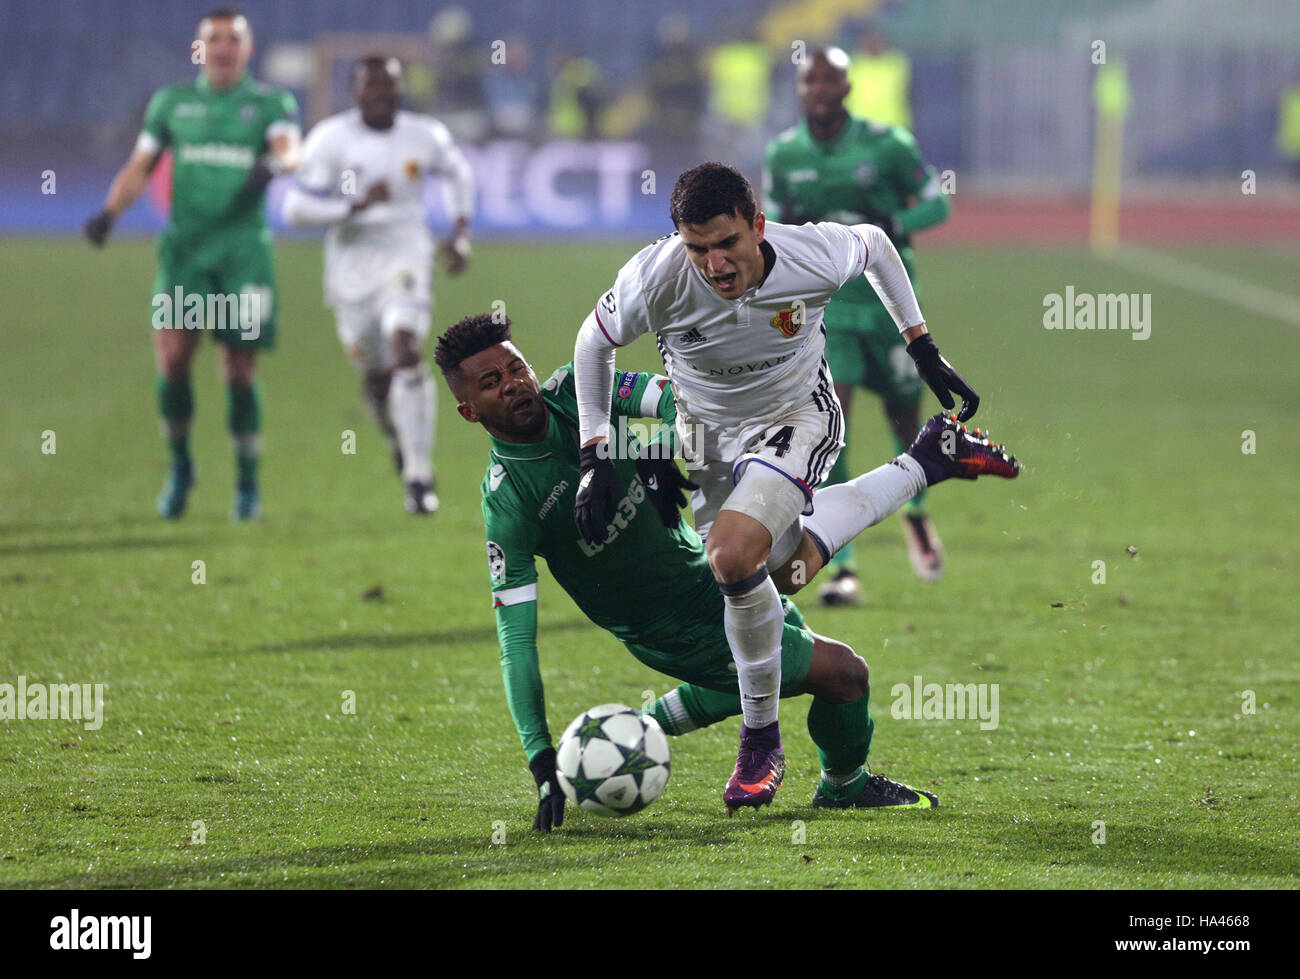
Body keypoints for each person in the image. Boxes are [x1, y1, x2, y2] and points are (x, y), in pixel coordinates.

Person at [569, 161, 1017, 812]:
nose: (716, 264)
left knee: (730, 555)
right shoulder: (655, 278)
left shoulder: (809, 253)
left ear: (757, 225)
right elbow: (592, 342)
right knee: (773, 580)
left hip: (795, 421)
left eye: (727, 243)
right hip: (704, 438)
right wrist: (594, 455)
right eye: (698, 249)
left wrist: (921, 346)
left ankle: (760, 739)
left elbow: (878, 245)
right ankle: (926, 461)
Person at [434, 313, 975, 828]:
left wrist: (654, 448)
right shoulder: (509, 505)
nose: (512, 384)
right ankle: (845, 787)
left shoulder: (579, 391)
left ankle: (631, 731)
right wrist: (539, 756)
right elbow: (516, 641)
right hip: (670, 627)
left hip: (708, 573)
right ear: (469, 411)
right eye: (489, 382)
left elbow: (679, 400)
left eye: (515, 368)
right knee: (846, 676)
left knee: (784, 598)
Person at [84, 7, 300, 520]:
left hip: (243, 254)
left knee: (239, 370)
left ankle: (247, 483)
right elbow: (142, 165)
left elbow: (290, 150)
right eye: (214, 39)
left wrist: (272, 165)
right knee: (174, 358)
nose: (223, 47)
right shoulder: (173, 104)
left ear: (247, 49)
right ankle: (181, 465)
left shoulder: (270, 103)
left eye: (233, 39)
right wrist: (110, 212)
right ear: (198, 49)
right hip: (185, 252)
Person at [765, 47, 952, 603]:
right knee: (833, 420)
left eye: (830, 79)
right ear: (799, 90)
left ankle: (915, 508)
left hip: (891, 307)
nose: (819, 88)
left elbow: (936, 205)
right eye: (809, 80)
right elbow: (772, 225)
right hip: (832, 309)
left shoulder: (888, 145)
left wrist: (890, 224)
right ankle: (843, 563)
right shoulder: (783, 153)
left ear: (847, 88)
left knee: (905, 416)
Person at [283, 55, 474, 515]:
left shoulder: (423, 134)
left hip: (406, 254)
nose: (383, 97)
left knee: (407, 349)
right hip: (351, 272)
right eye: (373, 89)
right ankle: (399, 440)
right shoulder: (331, 139)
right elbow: (294, 209)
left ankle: (419, 475)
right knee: (375, 380)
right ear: (356, 92)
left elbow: (458, 173)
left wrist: (461, 231)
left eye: (391, 88)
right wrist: (351, 207)